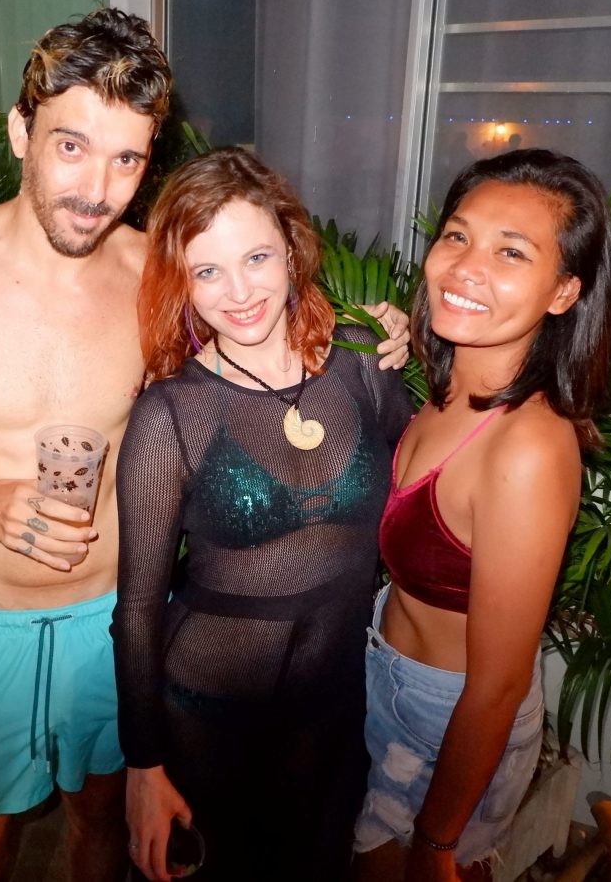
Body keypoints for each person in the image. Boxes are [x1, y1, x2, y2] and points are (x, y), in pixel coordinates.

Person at [0, 7, 408, 882]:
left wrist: (373, 331)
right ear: (21, 131)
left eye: (126, 159)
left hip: (116, 618)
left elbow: (256, 332)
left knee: (103, 824)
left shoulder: (153, 277)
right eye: (72, 146)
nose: (97, 188)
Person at [113, 148, 415, 882]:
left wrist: (416, 341)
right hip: (207, 709)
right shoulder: (170, 414)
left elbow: (424, 478)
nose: (240, 291)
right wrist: (143, 765)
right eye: (207, 271)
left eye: (256, 257)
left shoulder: (360, 363)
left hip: (336, 701)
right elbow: (139, 606)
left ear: (290, 248)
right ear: (181, 281)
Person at [353, 149, 611, 881]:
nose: (467, 267)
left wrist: (438, 843)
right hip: (388, 672)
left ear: (563, 292)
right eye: (457, 236)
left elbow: (498, 684)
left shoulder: (526, 448)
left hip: (449, 720)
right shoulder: (447, 386)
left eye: (511, 252)